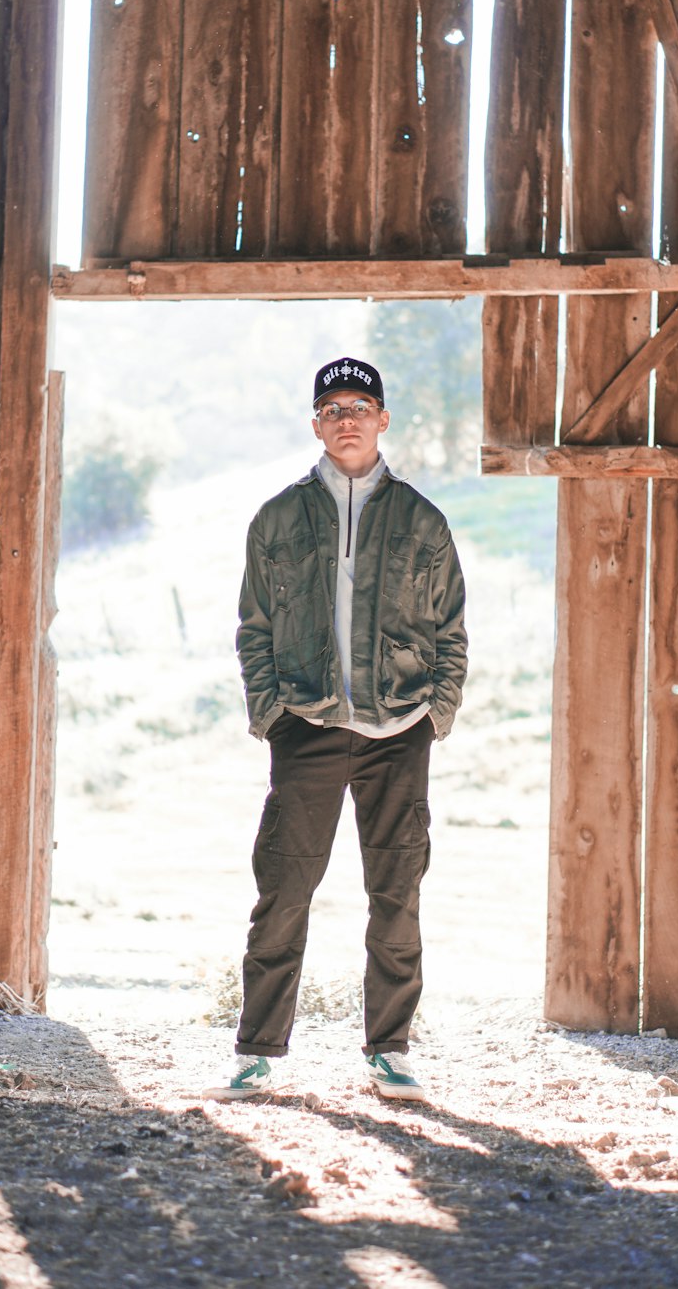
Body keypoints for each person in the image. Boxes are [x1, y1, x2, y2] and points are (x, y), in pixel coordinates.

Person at [203, 357, 467, 1103]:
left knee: (396, 896)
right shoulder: (279, 518)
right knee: (283, 890)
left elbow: (451, 628)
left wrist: (433, 716)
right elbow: (253, 628)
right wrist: (273, 716)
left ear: (384, 419)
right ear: (316, 423)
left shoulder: (422, 519)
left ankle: (390, 1051)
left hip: (398, 729)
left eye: (361, 404)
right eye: (332, 407)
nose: (346, 417)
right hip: (308, 726)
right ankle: (257, 1052)